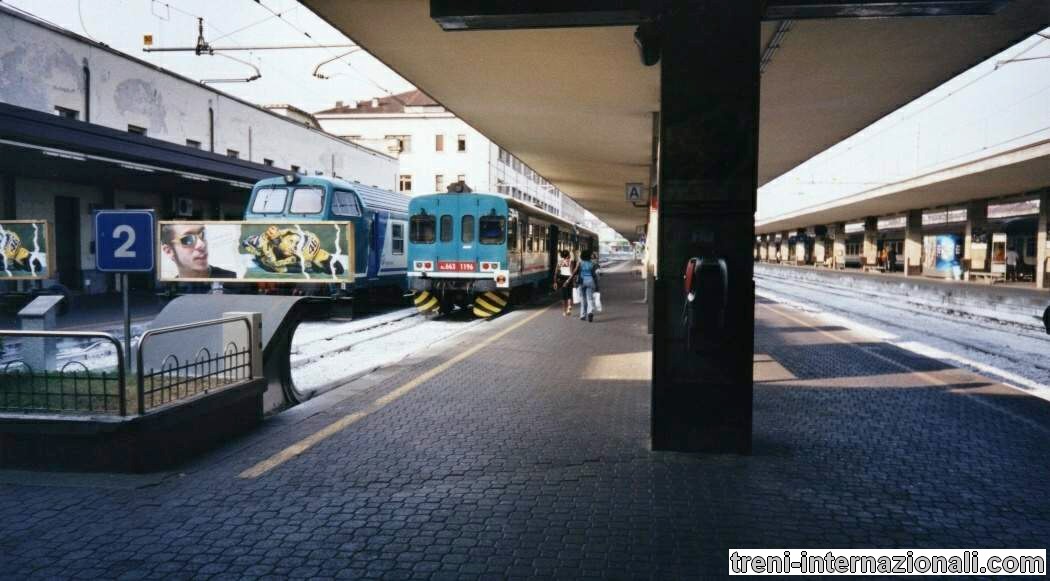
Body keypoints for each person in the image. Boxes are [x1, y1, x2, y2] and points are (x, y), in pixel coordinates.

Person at [242, 225, 345, 275]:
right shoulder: (265, 246)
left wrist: (305, 235)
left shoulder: (284, 233)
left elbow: (294, 231)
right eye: (275, 239)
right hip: (270, 256)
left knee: (283, 260)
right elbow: (275, 262)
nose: (277, 240)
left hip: (303, 252)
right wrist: (287, 260)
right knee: (277, 268)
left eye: (278, 237)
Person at [160, 224, 236, 279]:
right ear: (169, 251)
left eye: (202, 234)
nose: (202, 245)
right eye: (188, 239)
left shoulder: (232, 279)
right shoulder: (170, 287)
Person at [574, 249, 600, 322]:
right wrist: (596, 285)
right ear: (589, 256)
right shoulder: (592, 264)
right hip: (590, 282)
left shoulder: (580, 263)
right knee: (590, 298)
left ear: (581, 256)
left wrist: (574, 282)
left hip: (582, 282)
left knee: (583, 299)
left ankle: (582, 315)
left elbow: (575, 272)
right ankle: (590, 312)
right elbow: (595, 275)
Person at [552, 249, 575, 316]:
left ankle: (564, 311)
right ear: (568, 255)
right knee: (569, 294)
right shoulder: (571, 262)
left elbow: (556, 272)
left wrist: (555, 282)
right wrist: (572, 281)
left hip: (562, 279)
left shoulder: (559, 262)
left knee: (563, 296)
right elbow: (571, 272)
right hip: (569, 279)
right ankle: (569, 307)